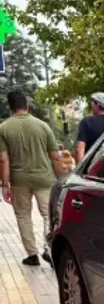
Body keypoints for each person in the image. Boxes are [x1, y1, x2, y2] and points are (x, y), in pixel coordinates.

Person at [0, 91, 64, 266]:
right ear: (27, 106)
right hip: (44, 178)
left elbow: (3, 159)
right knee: (47, 215)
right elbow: (55, 157)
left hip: (19, 180)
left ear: (11, 108)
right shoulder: (43, 126)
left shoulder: (4, 128)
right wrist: (62, 180)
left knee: (23, 215)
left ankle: (32, 255)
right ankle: (49, 249)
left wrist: (5, 185)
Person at [74, 92, 104, 162]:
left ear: (98, 105)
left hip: (91, 167)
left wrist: (80, 168)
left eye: (93, 103)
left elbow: (79, 149)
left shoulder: (87, 122)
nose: (92, 105)